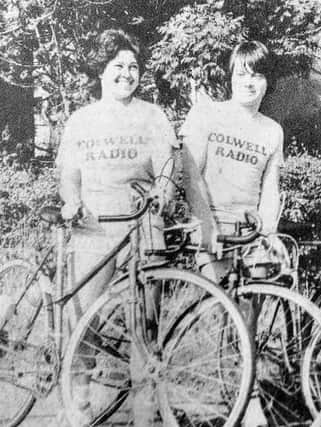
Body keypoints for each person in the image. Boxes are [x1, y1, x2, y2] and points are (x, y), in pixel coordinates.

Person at [56, 28, 177, 426]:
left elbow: (167, 168)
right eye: (117, 66)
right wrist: (72, 202)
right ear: (101, 72)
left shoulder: (153, 115)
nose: (126, 73)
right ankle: (80, 409)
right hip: (93, 229)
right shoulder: (81, 120)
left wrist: (162, 190)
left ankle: (145, 414)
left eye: (133, 66)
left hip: (142, 229)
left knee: (145, 325)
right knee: (84, 323)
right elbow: (69, 175)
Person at [180, 40, 284, 427]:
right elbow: (191, 175)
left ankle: (248, 398)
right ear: (231, 76)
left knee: (249, 321)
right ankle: (221, 400)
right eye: (242, 73)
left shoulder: (272, 130)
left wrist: (269, 233)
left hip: (250, 232)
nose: (250, 82)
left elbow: (270, 189)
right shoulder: (208, 115)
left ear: (266, 82)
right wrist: (206, 224)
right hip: (212, 227)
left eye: (257, 74)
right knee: (220, 316)